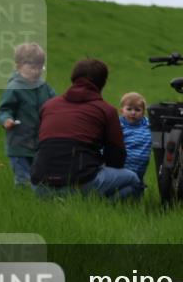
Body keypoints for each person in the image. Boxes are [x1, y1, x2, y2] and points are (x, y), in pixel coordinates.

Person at [31, 59, 144, 200]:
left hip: (40, 185)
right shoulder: (106, 110)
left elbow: (37, 145)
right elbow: (116, 158)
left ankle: (76, 203)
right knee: (133, 180)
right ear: (102, 82)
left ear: (73, 78)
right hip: (81, 181)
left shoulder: (48, 106)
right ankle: (102, 207)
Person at [0, 43, 56, 187]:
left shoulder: (44, 87)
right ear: (18, 66)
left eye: (39, 67)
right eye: (32, 67)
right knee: (23, 179)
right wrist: (6, 120)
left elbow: (56, 103)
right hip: (19, 144)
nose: (36, 71)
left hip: (40, 143)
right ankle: (23, 196)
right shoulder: (14, 88)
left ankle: (39, 195)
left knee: (40, 178)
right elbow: (4, 109)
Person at [119, 92, 151, 182]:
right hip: (122, 167)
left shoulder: (148, 125)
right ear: (121, 111)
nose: (133, 113)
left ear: (143, 112)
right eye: (129, 109)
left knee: (136, 185)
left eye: (137, 110)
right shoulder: (118, 125)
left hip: (140, 168)